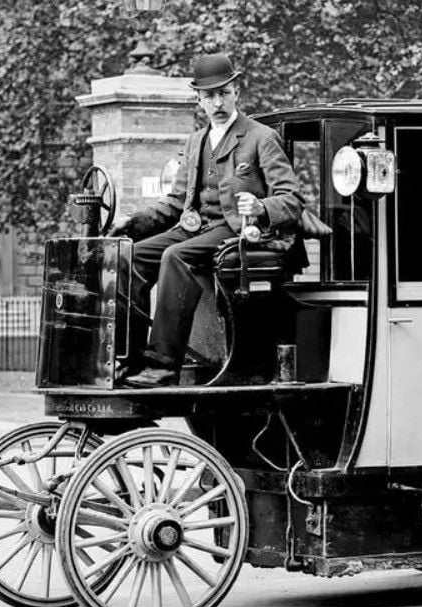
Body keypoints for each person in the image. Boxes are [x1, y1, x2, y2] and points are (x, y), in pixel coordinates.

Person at [108, 53, 303, 387]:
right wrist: (134, 223)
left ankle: (164, 364)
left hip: (234, 230)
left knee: (176, 257)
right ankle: (132, 358)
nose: (218, 102)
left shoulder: (260, 137)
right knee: (130, 256)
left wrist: (260, 207)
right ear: (198, 99)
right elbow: (175, 203)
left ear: (236, 93)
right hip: (194, 226)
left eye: (224, 93)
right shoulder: (196, 140)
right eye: (210, 95)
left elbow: (293, 200)